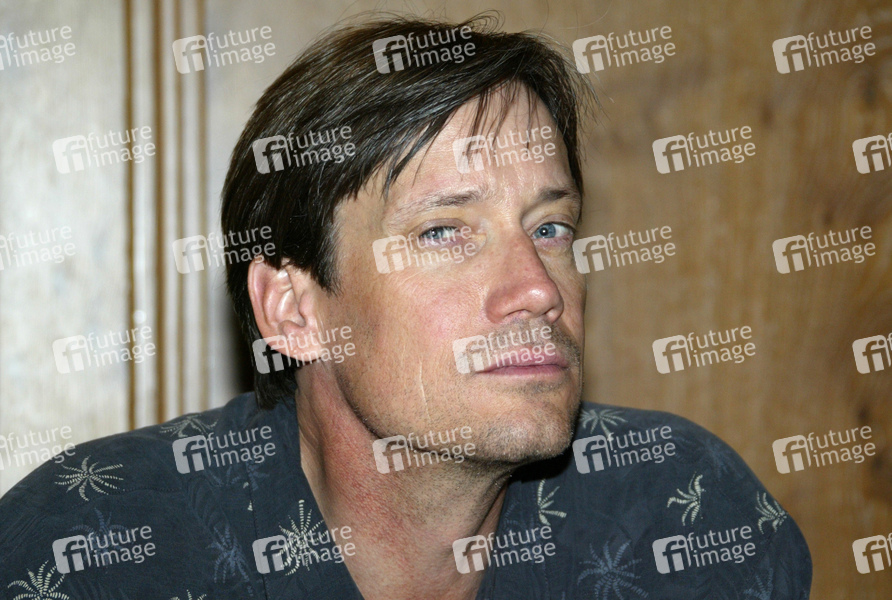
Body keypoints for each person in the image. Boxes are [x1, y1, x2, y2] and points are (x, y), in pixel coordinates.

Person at [0, 14, 811, 599]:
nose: (538, 289)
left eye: (550, 227)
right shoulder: (95, 547)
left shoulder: (680, 514)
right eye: (444, 232)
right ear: (293, 311)